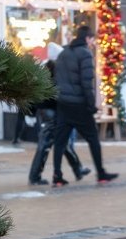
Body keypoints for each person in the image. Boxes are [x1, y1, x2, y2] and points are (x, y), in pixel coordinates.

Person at [50, 25, 118, 187]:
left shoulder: (63, 54)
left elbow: (56, 79)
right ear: (87, 38)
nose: (93, 43)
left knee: (59, 142)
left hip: (63, 104)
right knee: (93, 138)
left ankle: (57, 175)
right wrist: (91, 105)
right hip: (79, 105)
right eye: (92, 39)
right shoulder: (85, 54)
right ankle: (101, 173)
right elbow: (86, 83)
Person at [28, 46, 91, 185]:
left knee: (63, 142)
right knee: (45, 145)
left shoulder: (46, 70)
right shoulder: (57, 71)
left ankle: (78, 168)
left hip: (49, 111)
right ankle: (35, 176)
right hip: (53, 112)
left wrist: (31, 112)